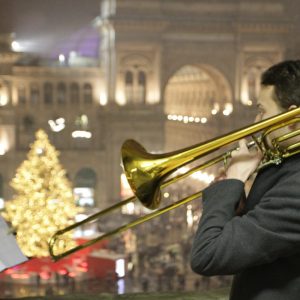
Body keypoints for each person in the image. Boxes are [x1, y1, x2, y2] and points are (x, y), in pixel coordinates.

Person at [190, 60, 300, 300]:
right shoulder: (287, 164)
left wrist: (235, 178)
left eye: (262, 111)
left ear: (291, 117)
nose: (255, 123)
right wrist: (235, 198)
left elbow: (207, 255)